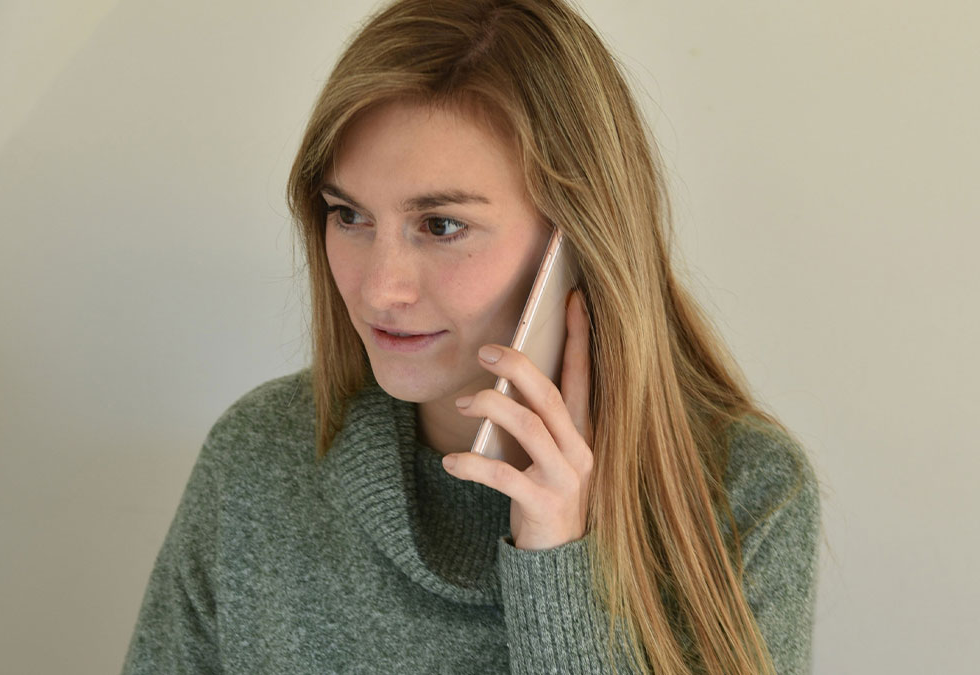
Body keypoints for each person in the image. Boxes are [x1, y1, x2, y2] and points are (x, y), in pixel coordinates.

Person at [121, 0, 822, 673]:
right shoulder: (258, 455)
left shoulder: (743, 492)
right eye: (349, 215)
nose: (379, 289)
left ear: (575, 241)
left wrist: (555, 565)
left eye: (441, 225)